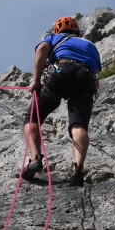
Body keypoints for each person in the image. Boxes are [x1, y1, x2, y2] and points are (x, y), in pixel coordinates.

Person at [21, 16, 102, 186]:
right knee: (78, 126)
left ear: (57, 31)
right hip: (85, 78)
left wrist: (36, 81)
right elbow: (96, 78)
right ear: (77, 31)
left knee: (32, 118)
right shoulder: (90, 45)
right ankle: (78, 167)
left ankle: (35, 159)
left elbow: (42, 49)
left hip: (62, 71)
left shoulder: (54, 37)